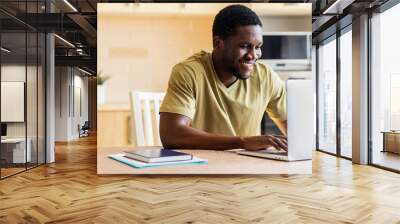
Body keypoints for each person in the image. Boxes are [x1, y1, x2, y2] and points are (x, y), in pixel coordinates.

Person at [159, 4, 287, 151]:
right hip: (200, 166)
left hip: (247, 168)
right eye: (244, 46)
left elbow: (295, 130)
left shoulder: (266, 77)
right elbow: (171, 135)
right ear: (218, 43)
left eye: (257, 47)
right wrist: (242, 142)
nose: (253, 55)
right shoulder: (189, 72)